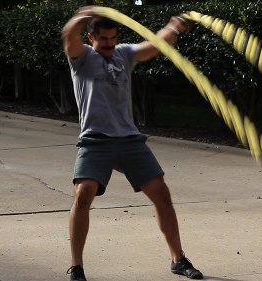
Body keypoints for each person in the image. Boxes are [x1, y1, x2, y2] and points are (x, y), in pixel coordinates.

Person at [61, 6, 203, 281]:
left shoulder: (124, 54)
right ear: (91, 38)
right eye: (104, 39)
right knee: (82, 196)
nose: (110, 44)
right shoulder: (81, 58)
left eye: (113, 38)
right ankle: (76, 266)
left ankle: (178, 259)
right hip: (95, 140)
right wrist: (82, 16)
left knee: (162, 194)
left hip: (129, 140)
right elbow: (68, 36)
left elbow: (156, 44)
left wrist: (174, 26)